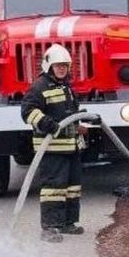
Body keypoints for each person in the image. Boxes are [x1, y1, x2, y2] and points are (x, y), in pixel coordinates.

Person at [22, 44, 88, 242]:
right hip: (52, 149)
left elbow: (71, 112)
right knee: (53, 189)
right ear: (49, 66)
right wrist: (49, 125)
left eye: (64, 66)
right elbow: (28, 111)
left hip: (72, 146)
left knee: (72, 187)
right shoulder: (39, 86)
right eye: (58, 65)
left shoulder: (66, 86)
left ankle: (68, 223)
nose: (61, 69)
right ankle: (50, 227)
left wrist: (80, 124)